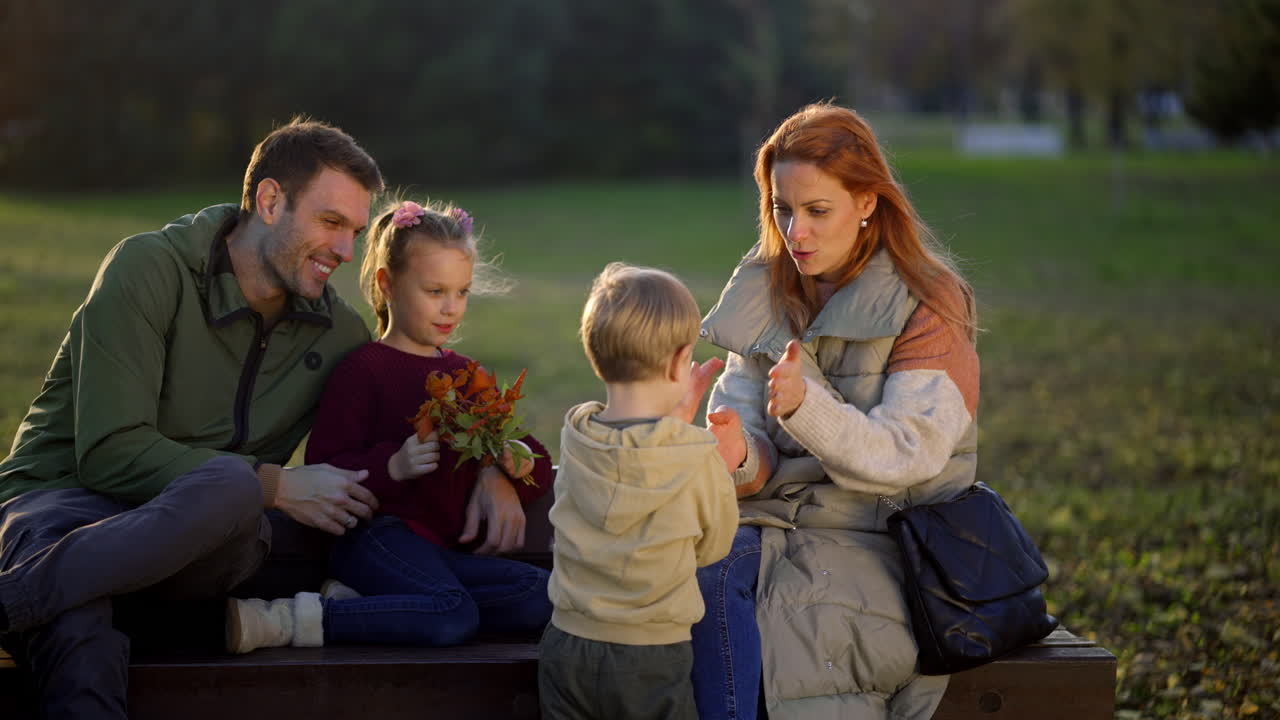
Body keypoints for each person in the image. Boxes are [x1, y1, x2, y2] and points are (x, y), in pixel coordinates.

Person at [0, 118, 390, 717]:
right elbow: (107, 452)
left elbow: (408, 409)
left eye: (356, 232)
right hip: (63, 507)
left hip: (195, 554)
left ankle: (15, 599)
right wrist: (273, 484)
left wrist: (495, 466)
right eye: (331, 222)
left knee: (232, 495)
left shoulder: (338, 334)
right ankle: (34, 597)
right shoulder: (149, 268)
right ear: (268, 200)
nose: (345, 251)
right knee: (80, 630)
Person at [690, 102, 981, 719]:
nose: (796, 233)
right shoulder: (763, 291)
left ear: (868, 203)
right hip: (767, 530)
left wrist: (807, 408)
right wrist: (736, 455)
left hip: (883, 541)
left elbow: (908, 454)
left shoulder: (929, 301)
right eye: (782, 210)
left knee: (797, 649)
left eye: (818, 211)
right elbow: (747, 451)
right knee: (682, 595)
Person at [225, 199, 556, 653]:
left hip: (440, 555)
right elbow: (327, 466)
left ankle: (383, 605)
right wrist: (393, 466)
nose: (451, 308)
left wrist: (499, 469)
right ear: (388, 285)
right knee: (451, 615)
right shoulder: (364, 370)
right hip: (374, 541)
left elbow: (537, 465)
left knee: (542, 594)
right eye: (435, 291)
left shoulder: (468, 375)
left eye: (462, 292)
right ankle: (290, 619)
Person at [538, 262, 740, 720]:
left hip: (567, 643)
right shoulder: (695, 457)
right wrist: (714, 466)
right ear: (676, 364)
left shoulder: (578, 436)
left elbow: (631, 455)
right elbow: (713, 547)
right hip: (650, 654)